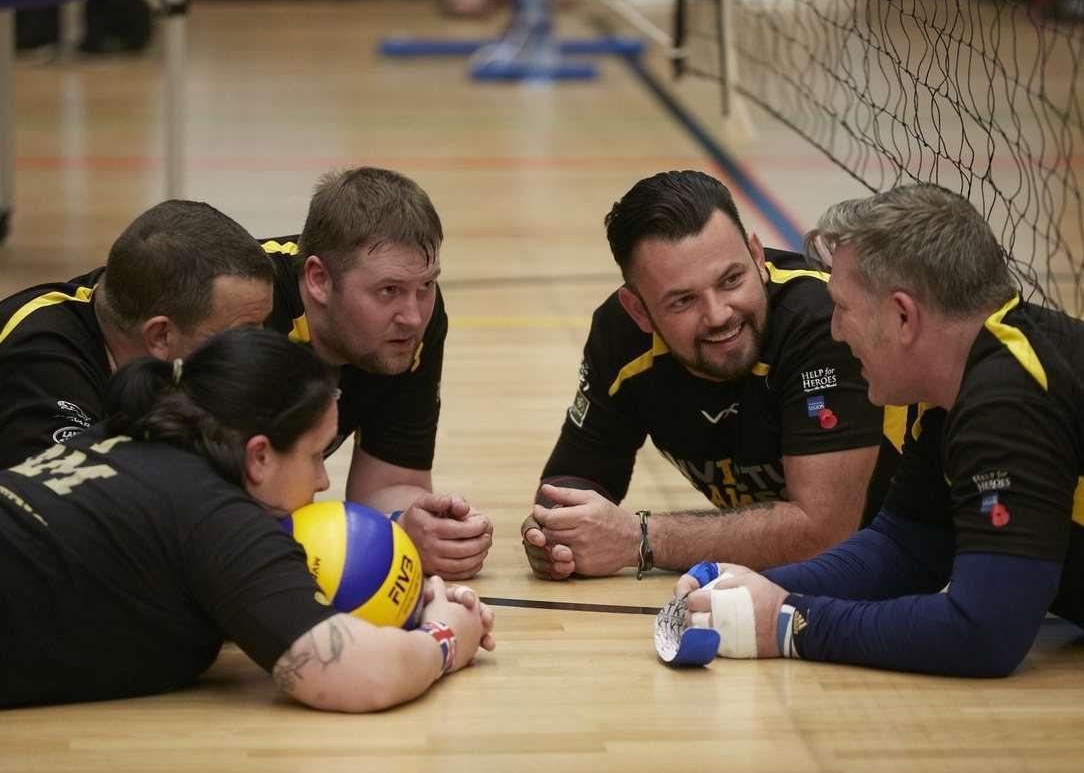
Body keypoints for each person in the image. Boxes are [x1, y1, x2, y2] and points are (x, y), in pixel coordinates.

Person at [674, 183, 1084, 677]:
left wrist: (789, 625)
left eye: (843, 308)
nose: (835, 330)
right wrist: (756, 584)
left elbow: (985, 634)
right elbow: (905, 548)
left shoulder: (1009, 400)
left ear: (903, 316)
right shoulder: (955, 384)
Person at [0, 327, 495, 710]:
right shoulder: (216, 514)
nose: (323, 482)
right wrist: (445, 636)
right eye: (317, 454)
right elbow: (359, 676)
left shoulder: (125, 436)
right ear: (258, 456)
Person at [523, 170, 899, 579]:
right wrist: (556, 529)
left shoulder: (824, 322)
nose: (719, 315)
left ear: (757, 256)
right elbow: (578, 476)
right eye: (683, 300)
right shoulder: (621, 335)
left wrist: (640, 538)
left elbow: (824, 533)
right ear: (639, 310)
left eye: (731, 280)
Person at [260, 166, 493, 580]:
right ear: (318, 280)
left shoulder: (409, 326)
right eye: (389, 291)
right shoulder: (250, 308)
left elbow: (391, 479)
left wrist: (411, 526)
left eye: (426, 286)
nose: (413, 316)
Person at [0, 200, 275, 470]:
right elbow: (62, 507)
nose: (259, 350)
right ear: (161, 336)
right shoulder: (41, 364)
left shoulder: (138, 297)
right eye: (243, 334)